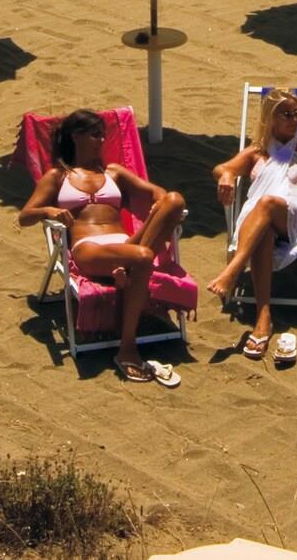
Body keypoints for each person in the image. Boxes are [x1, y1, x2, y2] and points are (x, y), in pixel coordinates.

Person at [19, 109, 187, 387]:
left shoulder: (114, 172)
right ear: (76, 136)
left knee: (175, 200)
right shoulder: (57, 176)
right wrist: (49, 210)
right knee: (144, 256)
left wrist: (158, 205)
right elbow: (25, 216)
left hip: (125, 244)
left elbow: (156, 192)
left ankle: (126, 269)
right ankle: (127, 349)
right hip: (89, 248)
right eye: (95, 134)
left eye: (103, 135)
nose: (101, 140)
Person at [206, 87, 297, 365]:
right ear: (270, 118)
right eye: (286, 114)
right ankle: (263, 319)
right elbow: (222, 168)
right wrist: (225, 176)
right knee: (263, 231)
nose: (293, 119)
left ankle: (234, 269)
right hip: (261, 224)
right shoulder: (256, 153)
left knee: (266, 203)